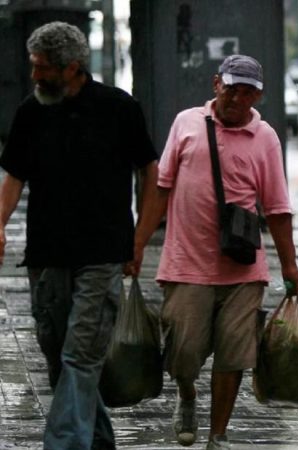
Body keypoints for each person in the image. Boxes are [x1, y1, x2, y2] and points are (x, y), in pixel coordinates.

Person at [129, 54, 298, 450]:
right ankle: (187, 394)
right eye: (231, 89)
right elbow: (161, 188)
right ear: (216, 85)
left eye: (247, 93)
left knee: (234, 355)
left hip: (243, 268)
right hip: (186, 264)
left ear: (257, 96)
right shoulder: (186, 123)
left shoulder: (266, 138)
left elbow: (277, 208)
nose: (237, 99)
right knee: (184, 353)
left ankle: (218, 435)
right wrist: (138, 244)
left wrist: (290, 265)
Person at [0, 21, 159, 449]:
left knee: (80, 355)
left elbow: (150, 172)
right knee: (57, 356)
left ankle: (63, 445)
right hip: (46, 257)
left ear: (71, 67)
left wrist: (139, 240)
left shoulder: (118, 108)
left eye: (42, 68)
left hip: (103, 254)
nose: (34, 75)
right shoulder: (30, 112)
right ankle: (98, 440)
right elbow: (14, 175)